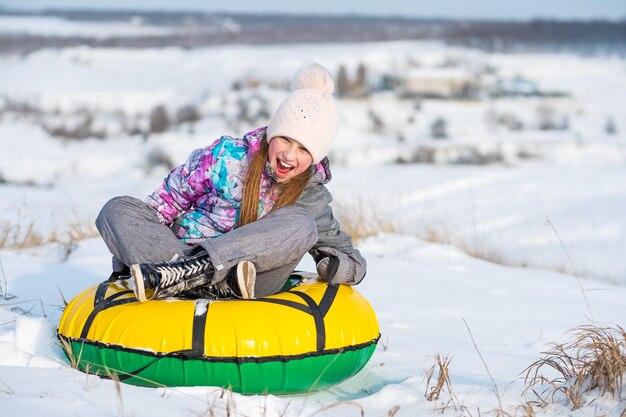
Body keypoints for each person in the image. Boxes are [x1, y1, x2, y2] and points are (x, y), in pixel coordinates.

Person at [95, 62, 366, 302]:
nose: (289, 155)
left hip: (245, 280)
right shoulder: (225, 157)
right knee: (115, 209)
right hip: (175, 258)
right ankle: (179, 273)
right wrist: (130, 249)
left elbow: (346, 255)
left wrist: (333, 265)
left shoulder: (310, 194)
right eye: (285, 139)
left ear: (316, 157)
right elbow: (163, 204)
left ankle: (199, 275)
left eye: (304, 150)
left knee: (301, 224)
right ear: (272, 134)